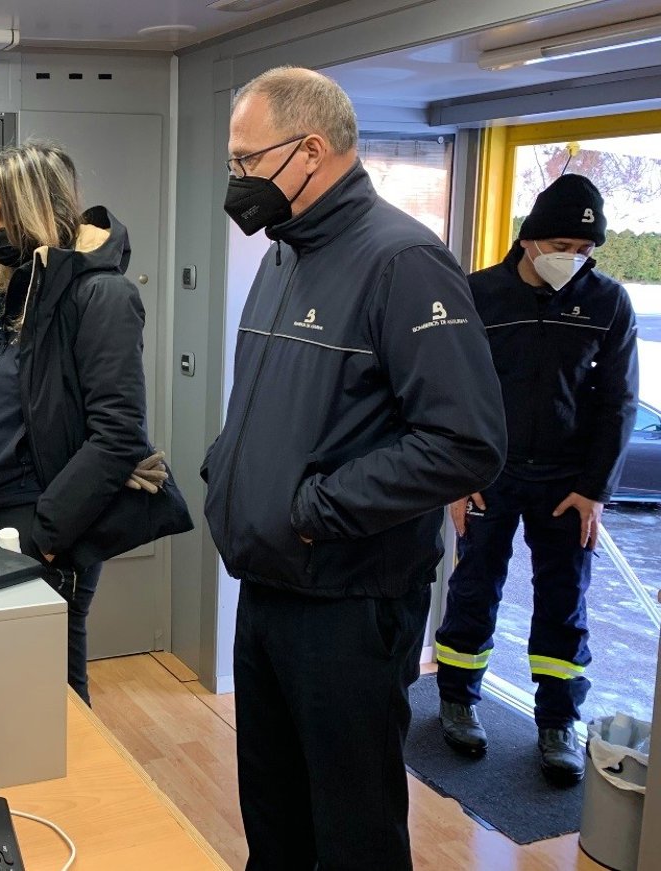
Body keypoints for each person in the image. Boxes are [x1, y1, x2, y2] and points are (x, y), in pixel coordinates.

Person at [202, 67, 506, 871]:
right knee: (274, 820)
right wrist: (228, 469)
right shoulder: (284, 254)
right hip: (268, 585)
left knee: (352, 835)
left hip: (347, 603)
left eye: (247, 160)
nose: (237, 179)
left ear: (311, 150)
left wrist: (313, 509)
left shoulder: (403, 261)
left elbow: (467, 441)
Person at [0, 142, 188, 705]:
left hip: (41, 529)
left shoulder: (101, 294)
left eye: (4, 215)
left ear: (40, 209)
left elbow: (119, 435)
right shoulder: (8, 290)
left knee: (53, 698)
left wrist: (50, 537)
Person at [435, 174, 639, 785]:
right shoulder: (478, 294)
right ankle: (457, 700)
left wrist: (596, 490)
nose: (571, 258)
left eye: (584, 250)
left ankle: (557, 723)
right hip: (488, 476)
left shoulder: (608, 302)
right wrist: (458, 474)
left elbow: (618, 401)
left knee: (564, 602)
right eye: (560, 246)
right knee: (474, 587)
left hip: (567, 485)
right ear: (528, 240)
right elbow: (452, 389)